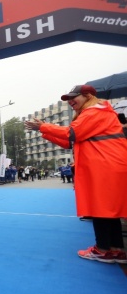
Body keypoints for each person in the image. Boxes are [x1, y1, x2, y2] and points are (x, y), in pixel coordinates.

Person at [25, 84, 127, 264]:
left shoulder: (94, 112)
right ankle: (116, 250)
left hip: (104, 165)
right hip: (108, 164)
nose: (71, 101)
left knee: (100, 208)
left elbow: (72, 133)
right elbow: (69, 142)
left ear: (88, 96)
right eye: (68, 99)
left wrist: (44, 127)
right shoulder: (100, 112)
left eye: (74, 97)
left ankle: (103, 249)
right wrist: (43, 131)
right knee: (108, 210)